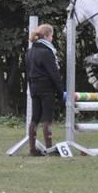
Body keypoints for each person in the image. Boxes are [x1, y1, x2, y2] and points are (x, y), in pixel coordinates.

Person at [25, 23, 64, 156]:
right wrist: (60, 92)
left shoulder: (30, 51)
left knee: (34, 118)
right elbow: (54, 74)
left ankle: (32, 149)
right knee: (47, 117)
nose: (52, 38)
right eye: (51, 36)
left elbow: (28, 72)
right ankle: (49, 148)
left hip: (34, 87)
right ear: (47, 36)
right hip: (46, 88)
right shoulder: (47, 52)